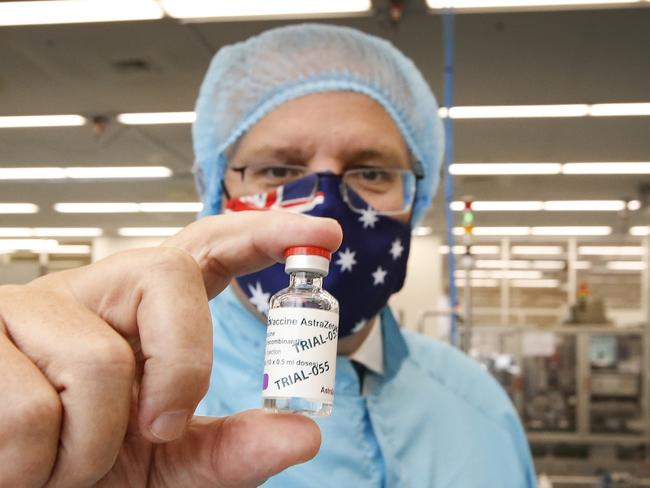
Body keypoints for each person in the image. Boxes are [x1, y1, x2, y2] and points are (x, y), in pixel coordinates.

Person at [0, 23, 535, 487]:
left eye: (372, 173)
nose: (324, 210)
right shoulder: (126, 397)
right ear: (216, 193)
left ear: (417, 199)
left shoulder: (479, 406)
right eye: (278, 172)